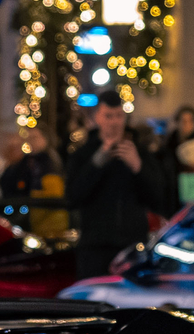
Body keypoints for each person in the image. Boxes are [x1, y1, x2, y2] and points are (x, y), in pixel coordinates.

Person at [68, 100, 167, 275]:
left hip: (132, 247)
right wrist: (97, 162)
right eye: (108, 116)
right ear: (97, 118)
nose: (114, 122)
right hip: (95, 248)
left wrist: (138, 167)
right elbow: (73, 197)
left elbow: (158, 197)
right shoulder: (83, 154)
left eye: (119, 116)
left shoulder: (140, 152)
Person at [163, 106, 194, 204]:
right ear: (177, 122)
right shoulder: (169, 145)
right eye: (183, 121)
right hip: (172, 195)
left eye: (190, 121)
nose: (186, 125)